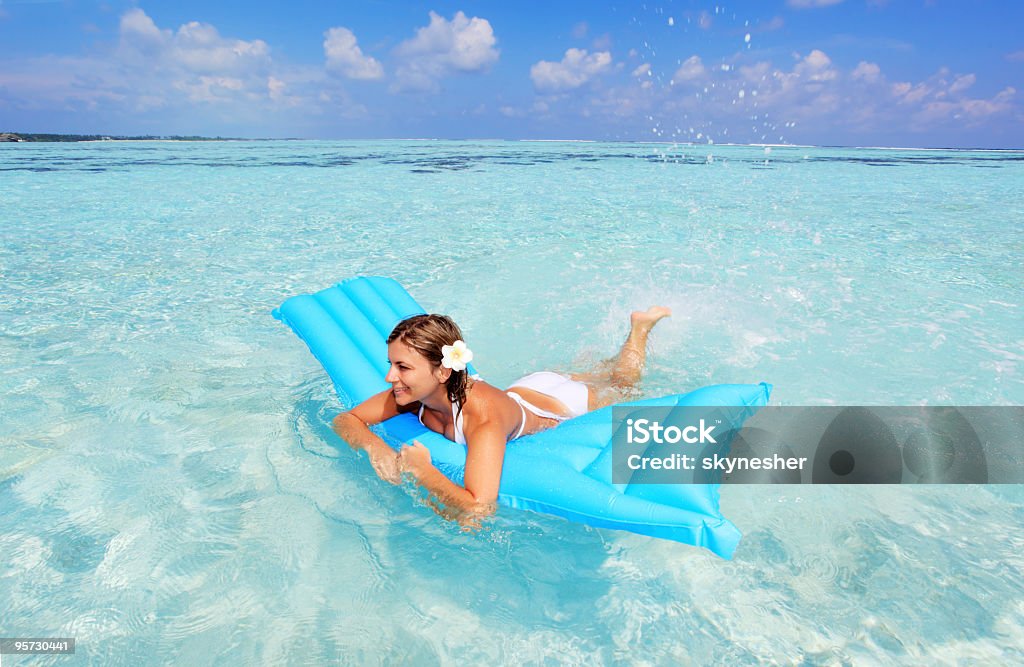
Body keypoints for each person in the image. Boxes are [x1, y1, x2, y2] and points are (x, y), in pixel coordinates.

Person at [331, 306, 671, 517]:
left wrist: (424, 473)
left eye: (402, 367)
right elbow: (346, 419)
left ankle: (639, 330)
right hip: (527, 387)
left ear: (442, 372)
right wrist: (376, 448)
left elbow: (479, 510)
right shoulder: (413, 392)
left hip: (563, 406)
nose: (390, 376)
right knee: (604, 374)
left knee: (623, 384)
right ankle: (603, 358)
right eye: (391, 364)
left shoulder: (484, 420)